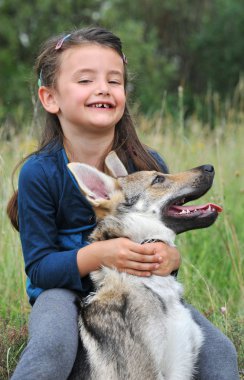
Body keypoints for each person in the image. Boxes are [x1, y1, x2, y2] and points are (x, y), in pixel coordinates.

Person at [7, 27, 239, 380]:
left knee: (219, 351)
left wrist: (170, 259)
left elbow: (158, 242)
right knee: (52, 345)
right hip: (61, 292)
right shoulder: (39, 172)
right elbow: (39, 268)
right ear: (50, 97)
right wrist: (102, 254)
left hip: (138, 291)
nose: (103, 88)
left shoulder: (146, 163)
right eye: (85, 79)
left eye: (114, 81)